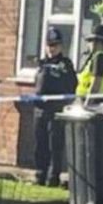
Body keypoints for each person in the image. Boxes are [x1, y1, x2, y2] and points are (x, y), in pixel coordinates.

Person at [33, 28, 77, 186]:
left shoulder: (65, 65)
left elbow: (71, 86)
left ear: (61, 47)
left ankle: (53, 177)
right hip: (40, 110)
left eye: (55, 45)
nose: (52, 48)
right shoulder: (42, 64)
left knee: (54, 145)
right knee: (40, 144)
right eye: (50, 45)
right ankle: (40, 174)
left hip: (55, 111)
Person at [76, 23, 103, 102]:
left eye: (90, 41)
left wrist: (87, 105)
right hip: (102, 101)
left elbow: (95, 85)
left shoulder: (100, 57)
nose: (88, 44)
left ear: (97, 42)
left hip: (96, 103)